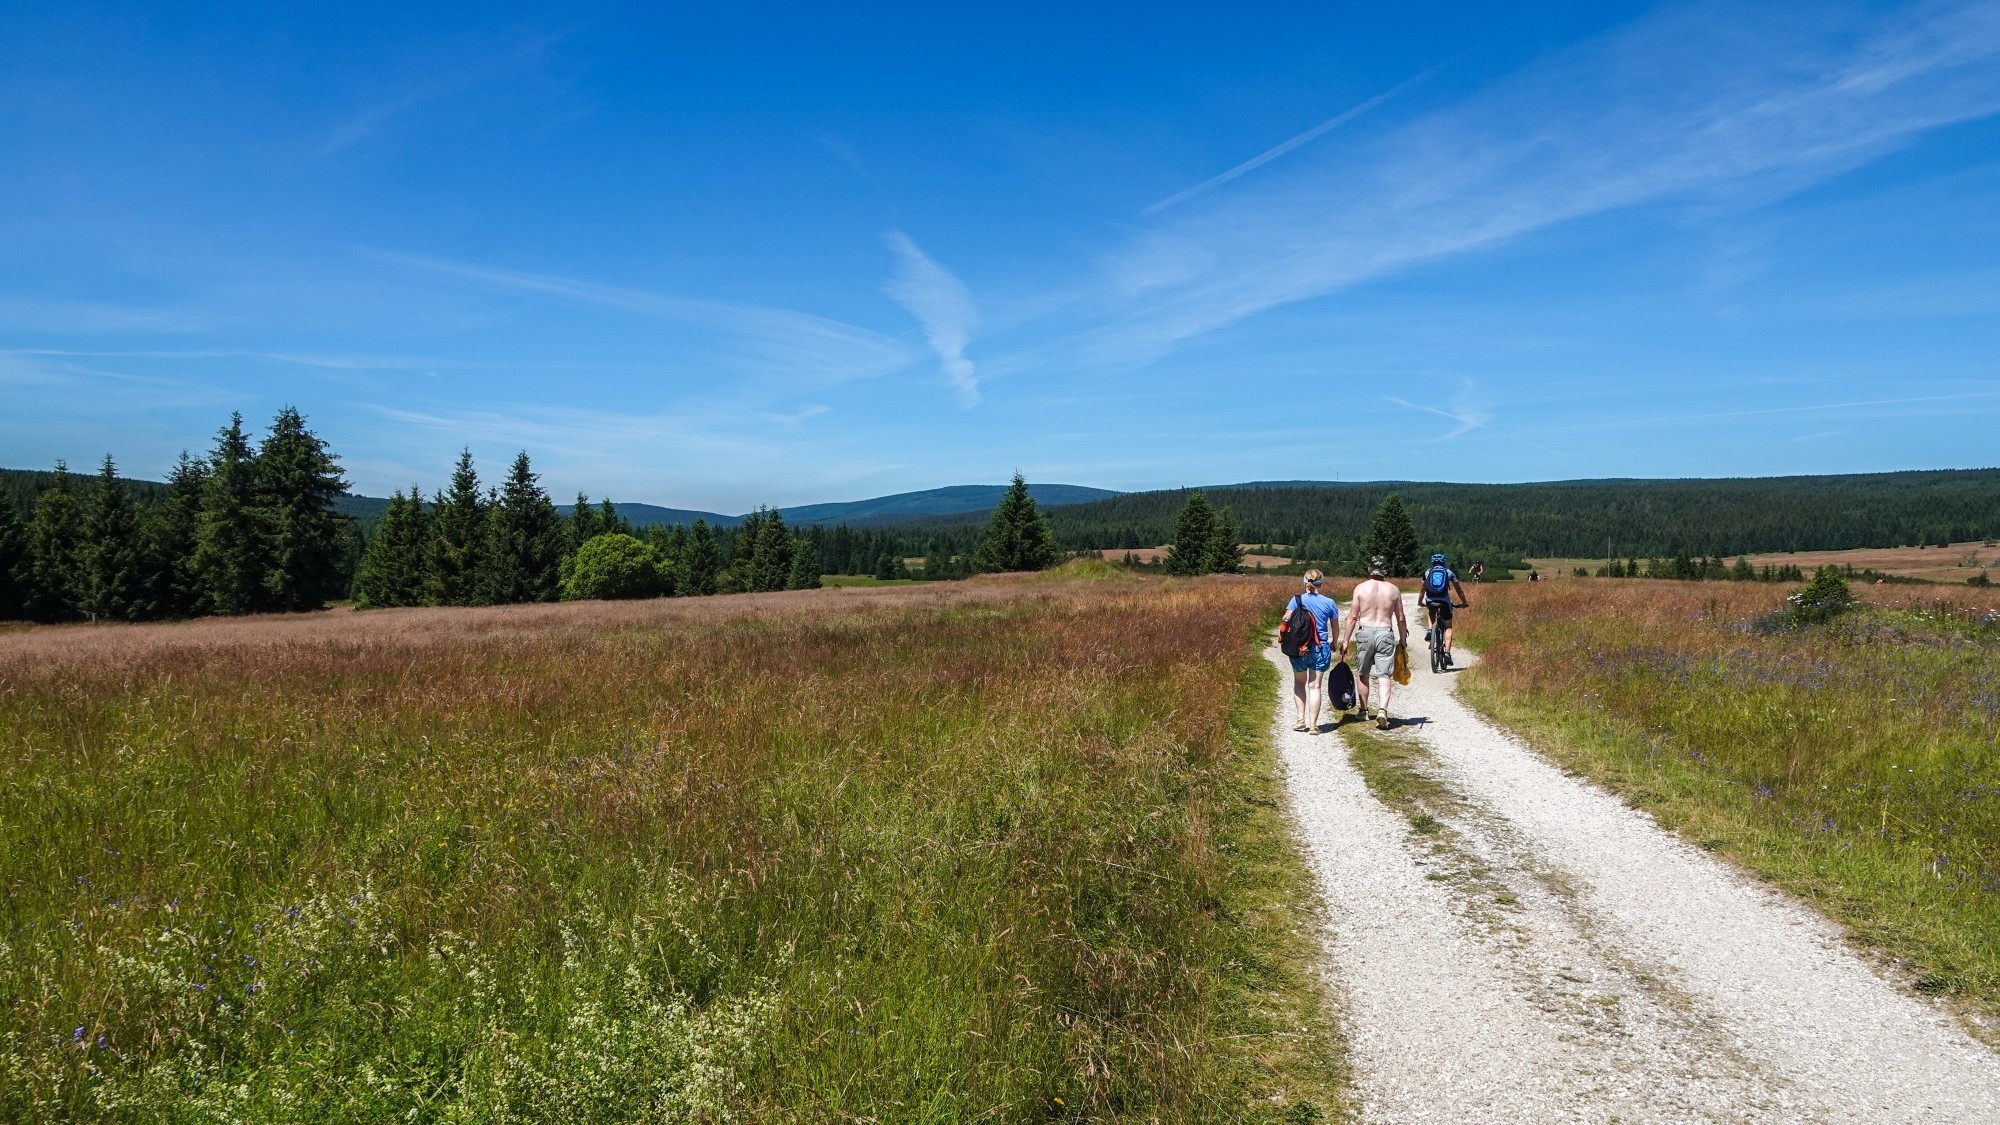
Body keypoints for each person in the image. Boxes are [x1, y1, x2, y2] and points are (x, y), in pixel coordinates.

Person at [1339, 557, 1408, 729]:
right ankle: (1383, 710)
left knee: (1363, 673)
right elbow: (1400, 618)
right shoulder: (1393, 590)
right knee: (1384, 675)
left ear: (1370, 569)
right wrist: (1403, 640)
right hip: (1385, 632)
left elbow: (1353, 617)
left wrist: (1345, 640)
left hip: (1365, 632)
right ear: (1385, 570)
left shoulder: (1361, 588)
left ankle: (1363, 711)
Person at [1276, 569, 1341, 733]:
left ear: (1304, 582)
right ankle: (1313, 725)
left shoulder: (1296, 600)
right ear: (1321, 583)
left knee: (1299, 683)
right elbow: (1335, 627)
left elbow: (1286, 619)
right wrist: (1334, 642)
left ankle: (1300, 720)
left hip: (1299, 649)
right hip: (1320, 648)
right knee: (1315, 686)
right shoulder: (1329, 602)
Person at [1419, 553, 1470, 667]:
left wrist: (1419, 602)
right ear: (1443, 562)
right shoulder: (1448, 572)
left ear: (1433, 562)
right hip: (1444, 601)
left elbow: (1422, 590)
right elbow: (1459, 589)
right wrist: (1464, 602)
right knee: (1448, 627)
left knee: (1431, 611)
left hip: (1431, 600)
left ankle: (1429, 630)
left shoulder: (1427, 572)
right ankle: (1447, 653)